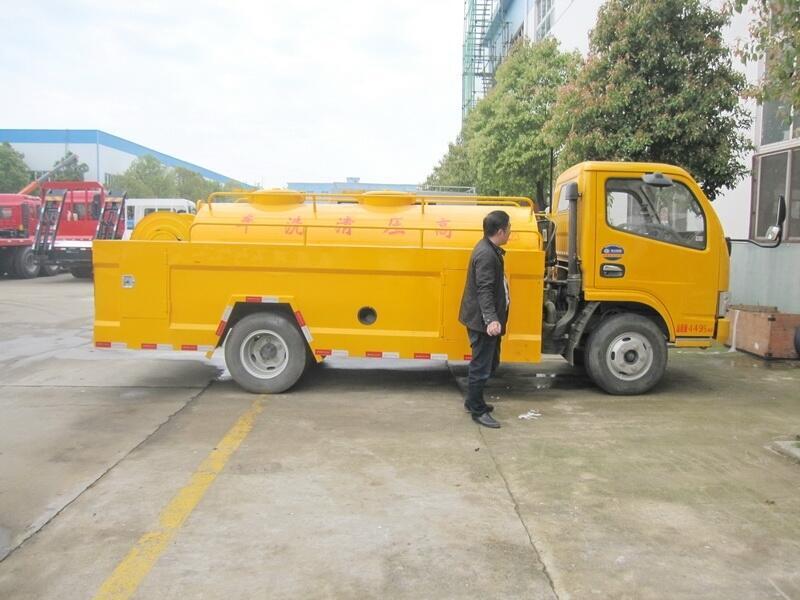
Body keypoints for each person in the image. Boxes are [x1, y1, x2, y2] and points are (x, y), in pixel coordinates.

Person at [458, 210, 511, 429]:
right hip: (482, 322)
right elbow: (484, 290)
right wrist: (491, 319)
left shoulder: (490, 249)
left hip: (484, 319)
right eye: (509, 228)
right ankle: (477, 410)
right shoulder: (486, 254)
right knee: (481, 366)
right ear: (500, 231)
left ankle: (473, 401)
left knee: (489, 362)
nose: (510, 232)